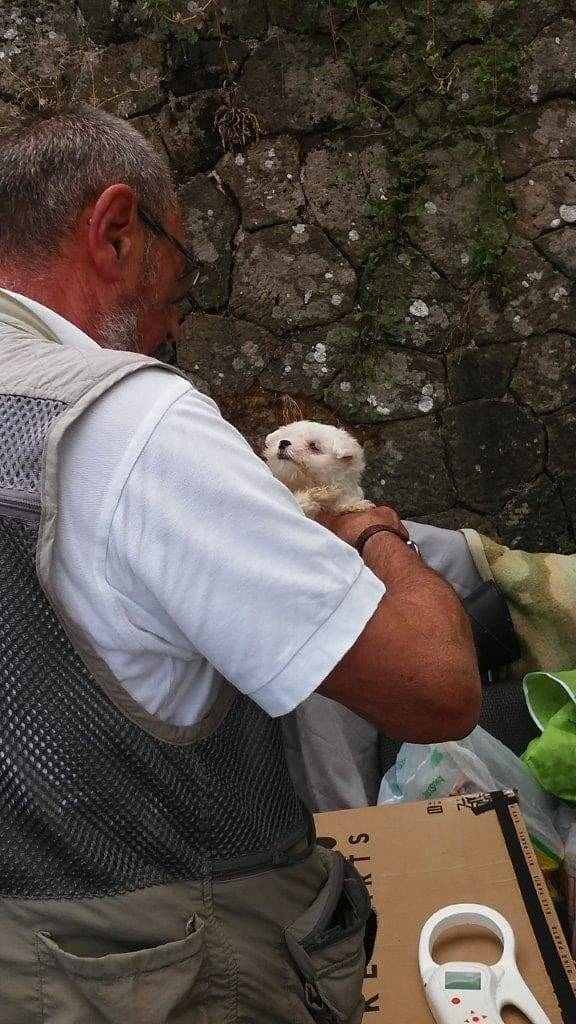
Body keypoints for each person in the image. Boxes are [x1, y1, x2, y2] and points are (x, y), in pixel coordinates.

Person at [0, 107, 481, 1023]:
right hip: (133, 974)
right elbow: (436, 689)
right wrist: (378, 534)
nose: (176, 316)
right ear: (113, 231)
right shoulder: (124, 422)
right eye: (179, 268)